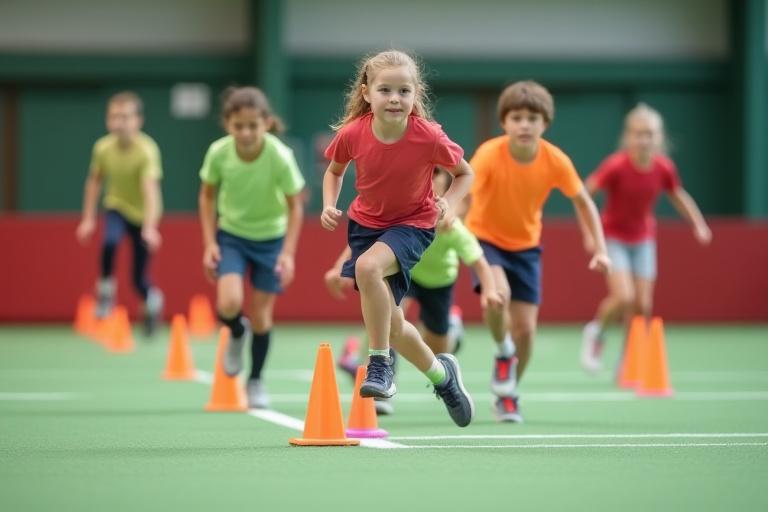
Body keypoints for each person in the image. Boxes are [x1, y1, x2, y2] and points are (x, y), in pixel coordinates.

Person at [320, 50, 476, 427]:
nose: (395, 98)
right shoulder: (353, 133)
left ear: (415, 94)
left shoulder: (428, 136)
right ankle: (443, 377)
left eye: (404, 90)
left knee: (369, 268)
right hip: (365, 224)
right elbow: (334, 171)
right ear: (367, 93)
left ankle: (378, 363)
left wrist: (449, 204)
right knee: (393, 323)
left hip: (414, 223)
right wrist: (329, 203)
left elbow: (464, 174)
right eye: (385, 89)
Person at [464, 80, 611, 423]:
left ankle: (508, 392)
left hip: (527, 248)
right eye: (516, 117)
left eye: (532, 118)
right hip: (484, 239)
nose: (525, 124)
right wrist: (445, 217)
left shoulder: (555, 160)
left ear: (545, 123)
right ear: (505, 122)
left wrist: (600, 249)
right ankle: (503, 352)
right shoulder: (488, 154)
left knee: (527, 331)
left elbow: (584, 203)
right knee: (496, 295)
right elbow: (465, 191)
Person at [325, 169, 504, 415]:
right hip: (411, 274)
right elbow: (368, 243)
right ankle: (384, 382)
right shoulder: (402, 213)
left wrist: (489, 291)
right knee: (389, 320)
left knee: (439, 346)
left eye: (436, 181)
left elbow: (480, 264)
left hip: (440, 283)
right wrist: (338, 267)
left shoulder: (453, 228)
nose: (429, 188)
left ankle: (452, 331)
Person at [580, 103, 712, 373]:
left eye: (649, 134)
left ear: (659, 138)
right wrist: (589, 233)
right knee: (624, 297)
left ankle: (627, 360)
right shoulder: (615, 166)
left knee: (643, 306)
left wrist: (698, 224)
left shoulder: (664, 168)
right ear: (628, 137)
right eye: (638, 134)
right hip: (613, 238)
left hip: (643, 240)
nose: (643, 139)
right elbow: (584, 193)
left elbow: (678, 196)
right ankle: (597, 333)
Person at [198, 86, 305, 409]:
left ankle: (256, 380)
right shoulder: (219, 153)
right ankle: (235, 331)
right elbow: (206, 196)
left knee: (261, 315)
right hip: (232, 235)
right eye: (238, 126)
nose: (245, 133)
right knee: (229, 303)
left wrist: (287, 253)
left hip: (271, 239)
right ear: (228, 124)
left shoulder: (279, 156)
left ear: (267, 123)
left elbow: (295, 207)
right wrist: (209, 243)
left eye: (253, 126)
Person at [75, 91, 164, 336]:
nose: (120, 123)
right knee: (110, 241)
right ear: (108, 121)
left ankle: (152, 300)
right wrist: (88, 218)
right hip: (117, 206)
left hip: (144, 216)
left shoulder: (147, 150)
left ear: (138, 121)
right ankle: (105, 293)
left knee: (138, 280)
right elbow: (94, 183)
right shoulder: (102, 148)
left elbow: (151, 192)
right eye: (114, 117)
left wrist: (150, 226)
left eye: (125, 117)